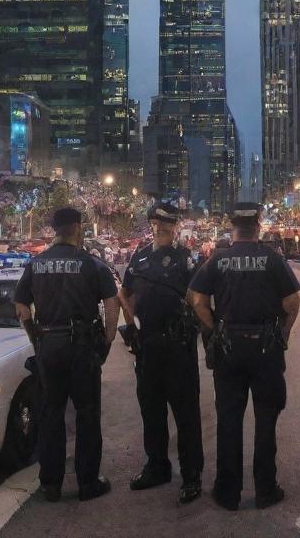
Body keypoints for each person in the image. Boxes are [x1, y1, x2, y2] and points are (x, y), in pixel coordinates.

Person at [188, 202, 300, 512]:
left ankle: (228, 492)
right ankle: (265, 489)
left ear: (232, 227)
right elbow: (292, 302)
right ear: (259, 226)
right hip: (266, 349)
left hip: (229, 350)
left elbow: (198, 302)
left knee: (228, 420)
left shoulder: (218, 259)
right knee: (266, 420)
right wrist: (283, 336)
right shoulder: (272, 259)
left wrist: (215, 330)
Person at [14, 206, 120, 503]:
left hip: (49, 345)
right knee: (87, 415)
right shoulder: (90, 264)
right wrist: (108, 341)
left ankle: (50, 484)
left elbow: (22, 307)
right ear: (77, 227)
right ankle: (88, 483)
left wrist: (36, 338)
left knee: (51, 415)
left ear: (54, 229)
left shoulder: (36, 264)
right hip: (82, 347)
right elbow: (112, 305)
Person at [120, 202, 204, 504]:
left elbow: (200, 297)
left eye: (165, 223)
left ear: (175, 225)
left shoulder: (187, 258)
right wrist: (134, 322)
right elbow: (124, 293)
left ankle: (192, 475)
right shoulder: (139, 257)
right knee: (151, 410)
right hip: (148, 347)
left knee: (186, 414)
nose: (159, 228)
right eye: (155, 223)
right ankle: (157, 466)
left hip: (178, 347)